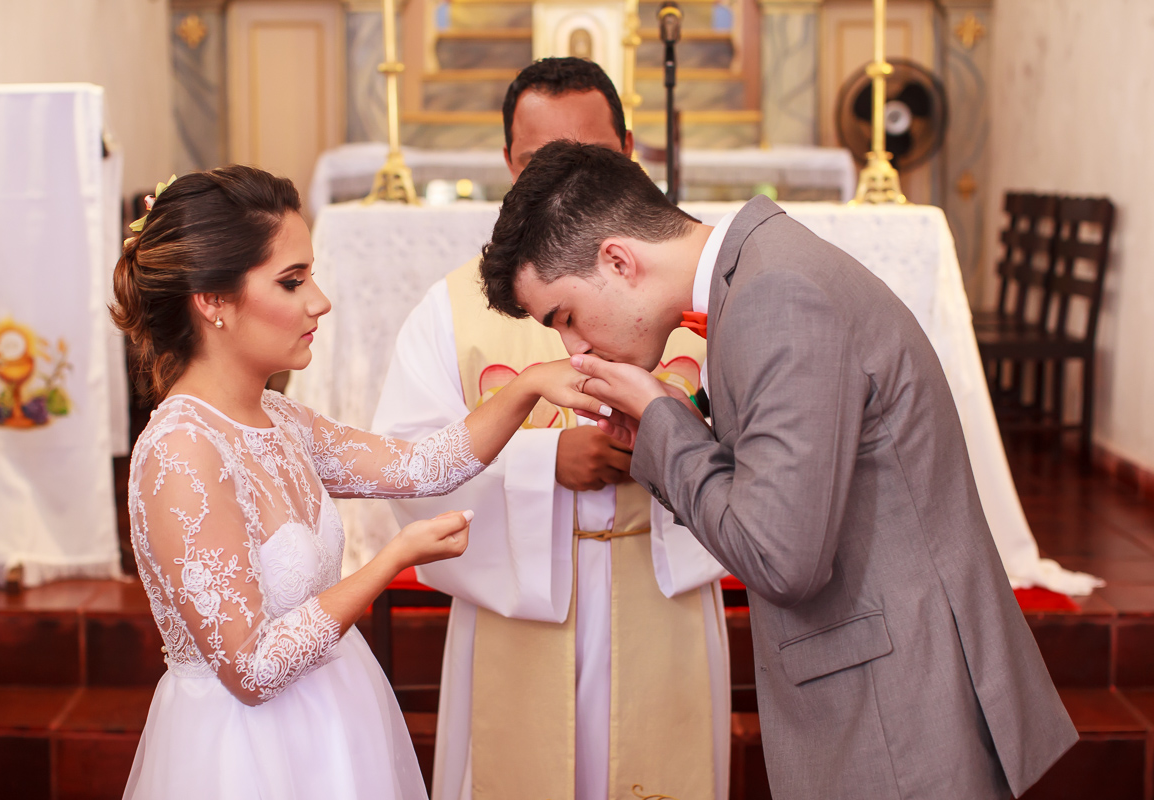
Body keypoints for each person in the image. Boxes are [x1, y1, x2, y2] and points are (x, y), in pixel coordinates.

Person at [478, 141, 1078, 800]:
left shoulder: (776, 296)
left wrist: (663, 424)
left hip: (896, 709)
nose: (574, 347)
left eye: (565, 316)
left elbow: (781, 557)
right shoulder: (765, 271)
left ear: (618, 259)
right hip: (897, 676)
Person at [111, 164, 600, 800]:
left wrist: (530, 384)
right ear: (213, 301)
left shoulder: (281, 418)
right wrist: (390, 562)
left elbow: (424, 465)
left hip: (333, 721)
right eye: (292, 281)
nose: (320, 300)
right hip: (246, 754)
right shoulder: (181, 451)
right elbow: (252, 670)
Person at [373, 58, 730, 800]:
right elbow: (408, 468)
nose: (564, 182)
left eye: (589, 157)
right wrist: (543, 461)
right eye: (540, 162)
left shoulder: (698, 295)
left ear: (628, 153)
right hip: (516, 611)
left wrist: (665, 445)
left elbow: (766, 442)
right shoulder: (452, 309)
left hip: (664, 595)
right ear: (509, 164)